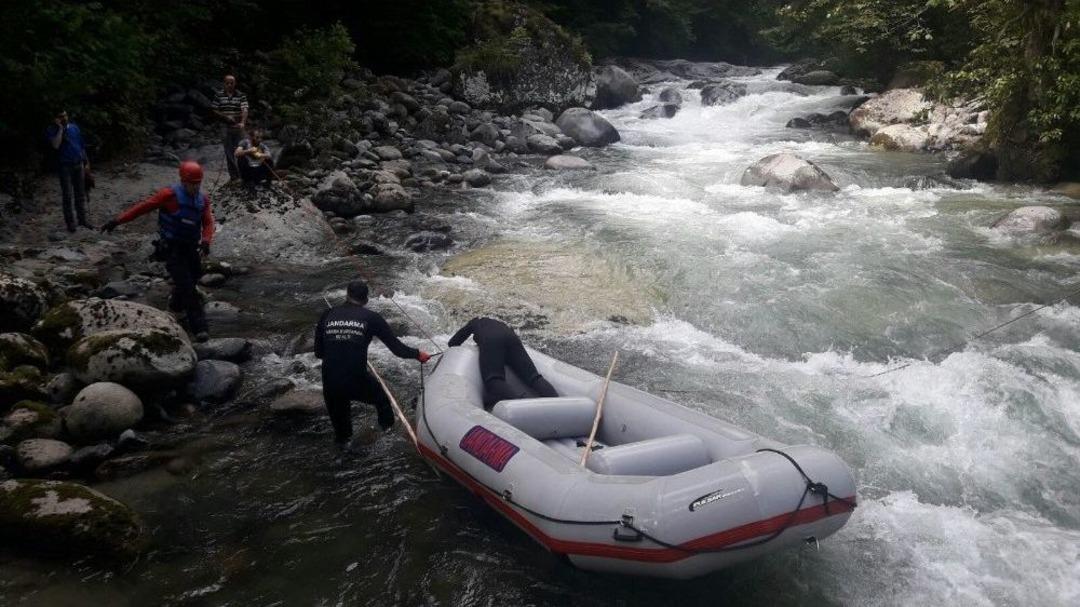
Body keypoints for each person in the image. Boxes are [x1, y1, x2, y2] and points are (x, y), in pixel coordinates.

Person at [101, 161, 214, 342]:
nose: (195, 187)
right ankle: (200, 328)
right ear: (184, 182)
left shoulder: (203, 200)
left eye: (198, 183)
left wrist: (207, 241)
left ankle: (175, 307)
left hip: (191, 247)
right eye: (193, 184)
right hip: (172, 247)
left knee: (194, 276)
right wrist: (117, 221)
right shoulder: (168, 195)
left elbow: (208, 222)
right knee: (187, 287)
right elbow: (142, 208)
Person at [314, 280, 431, 451]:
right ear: (366, 299)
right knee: (382, 400)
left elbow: (318, 353)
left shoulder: (327, 314)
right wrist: (418, 354)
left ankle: (344, 464)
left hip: (330, 381)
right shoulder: (372, 318)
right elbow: (397, 349)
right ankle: (387, 437)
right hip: (355, 378)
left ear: (347, 294)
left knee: (343, 437)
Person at [447, 317, 558, 409]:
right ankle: (556, 402)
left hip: (491, 340)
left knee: (494, 379)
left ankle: (521, 405)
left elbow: (453, 342)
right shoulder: (502, 324)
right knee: (533, 377)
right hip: (511, 338)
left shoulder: (475, 322)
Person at [45, 110, 92, 232]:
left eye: (65, 115)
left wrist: (86, 162)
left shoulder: (75, 128)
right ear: (56, 118)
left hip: (78, 164)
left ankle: (82, 220)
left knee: (80, 194)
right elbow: (55, 145)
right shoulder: (52, 130)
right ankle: (70, 223)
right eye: (61, 116)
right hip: (65, 166)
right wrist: (60, 129)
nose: (64, 118)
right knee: (67, 195)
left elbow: (81, 145)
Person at [212, 75, 248, 181]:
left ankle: (243, 173)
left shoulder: (241, 95)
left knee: (241, 149)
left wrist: (242, 122)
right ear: (224, 83)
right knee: (228, 151)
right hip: (224, 125)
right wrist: (225, 117)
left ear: (235, 83)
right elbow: (214, 109)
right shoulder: (218, 95)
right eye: (227, 83)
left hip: (237, 125)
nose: (229, 85)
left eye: (231, 83)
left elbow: (245, 109)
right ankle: (234, 176)